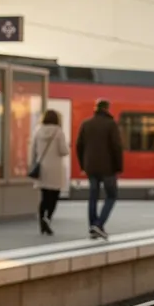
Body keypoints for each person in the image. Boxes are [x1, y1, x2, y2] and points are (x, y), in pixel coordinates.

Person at [75, 98, 123, 240]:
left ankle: (92, 227)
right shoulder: (111, 124)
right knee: (112, 195)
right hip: (108, 168)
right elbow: (117, 148)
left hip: (91, 167)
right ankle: (99, 224)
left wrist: (83, 165)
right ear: (107, 109)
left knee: (93, 197)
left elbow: (79, 146)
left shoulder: (86, 124)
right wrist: (118, 167)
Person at [30, 109, 70, 235]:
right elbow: (64, 151)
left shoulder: (37, 131)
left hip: (42, 168)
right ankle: (48, 219)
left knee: (44, 197)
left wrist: (33, 163)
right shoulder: (59, 132)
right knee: (54, 197)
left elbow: (33, 150)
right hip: (55, 169)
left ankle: (42, 222)